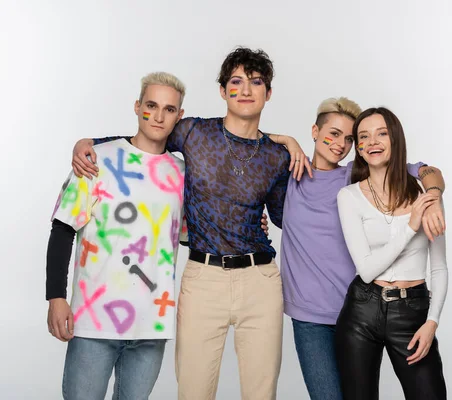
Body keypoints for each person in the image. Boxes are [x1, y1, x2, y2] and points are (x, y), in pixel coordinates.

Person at [69, 47, 310, 400]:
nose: (245, 90)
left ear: (268, 92)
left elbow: (284, 216)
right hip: (204, 276)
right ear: (222, 90)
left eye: (256, 83)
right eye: (236, 82)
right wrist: (88, 143)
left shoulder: (278, 154)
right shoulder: (193, 132)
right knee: (194, 391)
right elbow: (146, 138)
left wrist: (290, 144)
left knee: (262, 392)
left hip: (261, 280)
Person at [280, 99, 447, 399]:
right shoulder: (292, 174)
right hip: (318, 314)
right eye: (334, 134)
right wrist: (285, 139)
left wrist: (433, 194)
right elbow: (246, 142)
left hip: (362, 301)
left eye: (348, 138)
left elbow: (424, 169)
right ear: (315, 131)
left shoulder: (354, 175)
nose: (340, 144)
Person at [46, 72, 187, 399]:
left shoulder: (182, 174)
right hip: (93, 321)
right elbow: (64, 227)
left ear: (179, 117)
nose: (159, 115)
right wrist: (55, 296)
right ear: (138, 107)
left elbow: (191, 234)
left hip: (153, 324)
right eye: (152, 105)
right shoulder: (97, 160)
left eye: (169, 109)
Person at [335, 107, 448, 399]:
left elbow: (439, 268)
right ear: (358, 148)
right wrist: (411, 226)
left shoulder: (427, 195)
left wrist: (431, 322)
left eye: (381, 133)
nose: (373, 141)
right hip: (362, 310)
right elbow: (367, 269)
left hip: (412, 313)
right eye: (364, 136)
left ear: (395, 139)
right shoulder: (348, 197)